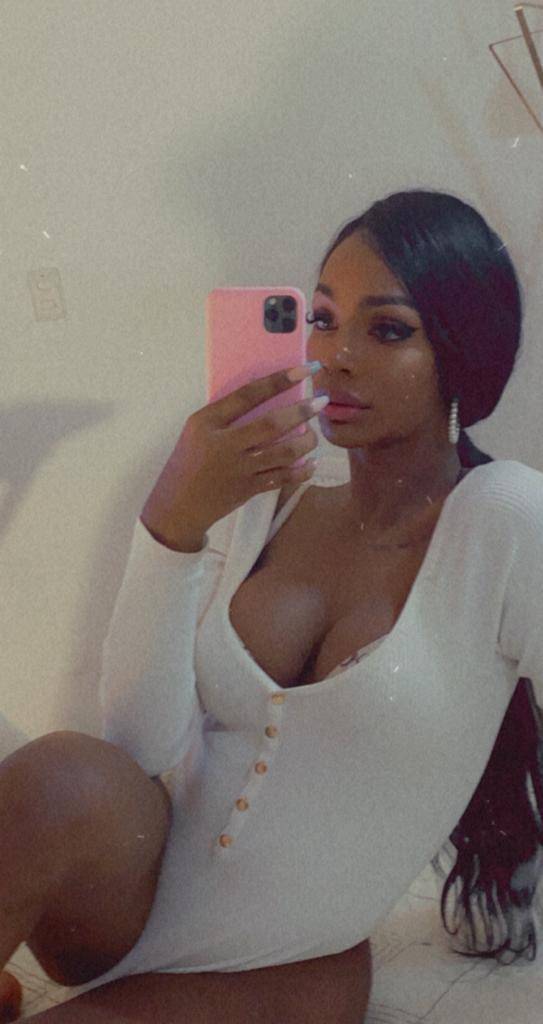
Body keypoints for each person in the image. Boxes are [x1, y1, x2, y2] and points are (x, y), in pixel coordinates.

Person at [1, 189, 540, 1024]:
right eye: (320, 319)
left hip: (289, 967)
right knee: (56, 772)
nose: (335, 355)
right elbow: (141, 746)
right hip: (128, 898)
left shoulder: (504, 517)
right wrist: (172, 523)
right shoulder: (267, 497)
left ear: (461, 350)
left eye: (387, 330)